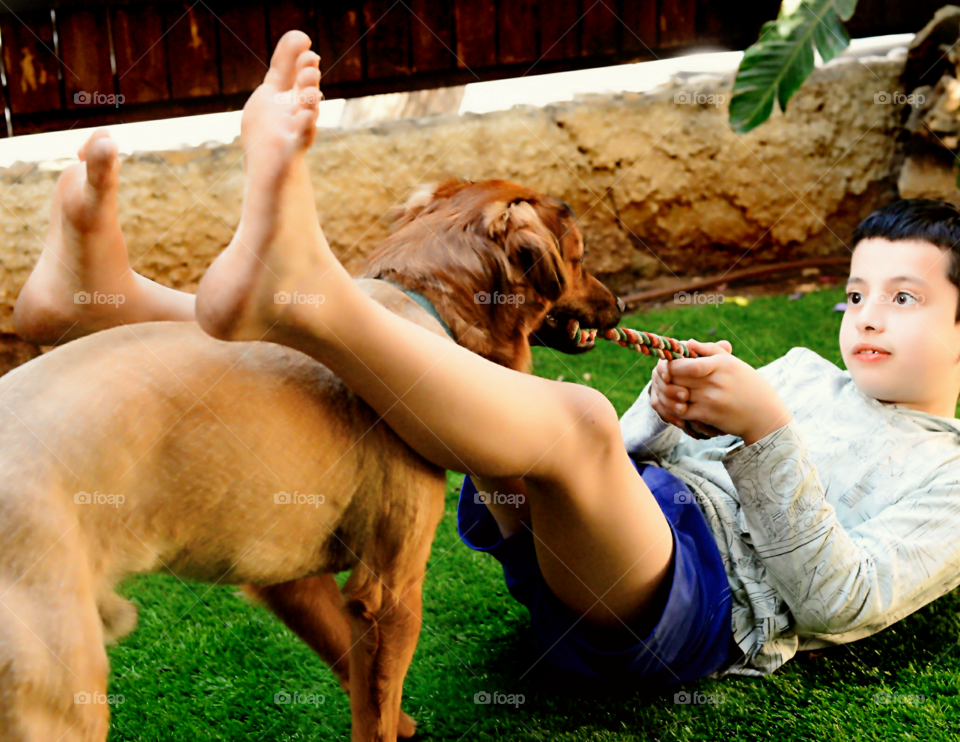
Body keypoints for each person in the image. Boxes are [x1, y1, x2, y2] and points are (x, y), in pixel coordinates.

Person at [12, 30, 960, 688]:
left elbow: (848, 601)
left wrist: (762, 434)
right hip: (578, 536)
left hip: (682, 611)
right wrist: (664, 417)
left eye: (904, 297)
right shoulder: (797, 364)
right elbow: (623, 464)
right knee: (503, 385)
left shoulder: (948, 473)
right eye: (856, 293)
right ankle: (111, 298)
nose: (865, 315)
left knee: (570, 417)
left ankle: (305, 293)